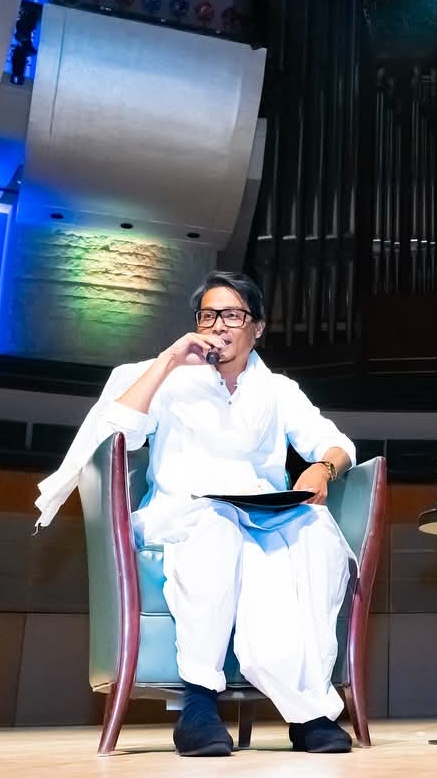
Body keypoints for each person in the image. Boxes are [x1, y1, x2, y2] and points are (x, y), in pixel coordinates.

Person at [34, 271, 358, 756]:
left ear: (257, 327)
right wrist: (168, 360)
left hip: (259, 518)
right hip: (183, 511)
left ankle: (308, 712)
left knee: (317, 532)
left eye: (233, 315)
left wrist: (321, 468)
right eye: (209, 315)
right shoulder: (170, 379)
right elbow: (118, 436)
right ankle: (199, 705)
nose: (219, 325)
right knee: (216, 524)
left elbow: (337, 443)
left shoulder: (278, 390)